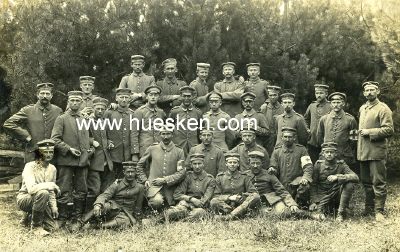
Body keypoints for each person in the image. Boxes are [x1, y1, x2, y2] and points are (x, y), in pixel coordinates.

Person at [51, 91, 94, 229]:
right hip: (66, 160)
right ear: (68, 102)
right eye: (72, 100)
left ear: (81, 103)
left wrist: (90, 151)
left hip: (82, 161)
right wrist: (69, 149)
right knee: (64, 189)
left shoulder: (86, 119)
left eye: (77, 101)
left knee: (82, 189)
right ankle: (62, 218)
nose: (75, 103)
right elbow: (55, 139)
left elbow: (92, 139)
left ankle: (77, 218)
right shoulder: (61, 119)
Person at [357, 81, 394, 221]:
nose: (369, 92)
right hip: (363, 151)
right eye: (367, 90)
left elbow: (389, 130)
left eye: (372, 90)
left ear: (378, 91)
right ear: (364, 93)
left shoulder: (383, 108)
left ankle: (379, 211)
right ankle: (368, 208)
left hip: (376, 151)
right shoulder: (362, 108)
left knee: (378, 182)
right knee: (366, 182)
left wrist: (369, 132)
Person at [3, 82, 62, 162]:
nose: (44, 96)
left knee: (50, 173)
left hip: (51, 154)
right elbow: (9, 123)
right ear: (37, 95)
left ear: (51, 96)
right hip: (33, 152)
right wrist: (26, 136)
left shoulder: (57, 111)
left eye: (47, 94)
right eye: (42, 93)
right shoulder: (28, 110)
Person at [76, 161, 145, 229]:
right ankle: (80, 222)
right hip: (113, 209)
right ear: (124, 172)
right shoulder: (117, 184)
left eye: (132, 172)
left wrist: (138, 221)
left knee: (125, 221)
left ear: (135, 172)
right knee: (104, 206)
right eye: (128, 172)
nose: (130, 174)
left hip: (126, 213)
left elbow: (138, 207)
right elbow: (105, 195)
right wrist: (98, 205)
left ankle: (97, 226)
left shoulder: (140, 187)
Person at [245, 151, 313, 219]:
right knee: (265, 215)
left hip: (272, 200)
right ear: (249, 163)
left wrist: (292, 204)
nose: (255, 166)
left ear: (262, 163)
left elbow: (281, 190)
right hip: (256, 203)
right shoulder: (245, 175)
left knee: (283, 212)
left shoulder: (269, 174)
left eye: (258, 163)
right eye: (253, 163)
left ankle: (310, 215)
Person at [136, 125, 186, 210]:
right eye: (163, 134)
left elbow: (181, 173)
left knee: (174, 204)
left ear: (172, 135)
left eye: (168, 134)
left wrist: (165, 180)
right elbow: (139, 166)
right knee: (156, 202)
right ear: (160, 134)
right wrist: (145, 179)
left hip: (171, 187)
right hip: (154, 186)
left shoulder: (179, 151)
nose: (165, 137)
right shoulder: (152, 148)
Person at [16, 139, 59, 236]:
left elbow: (51, 192)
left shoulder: (52, 169)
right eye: (45, 152)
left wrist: (54, 207)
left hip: (42, 200)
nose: (48, 154)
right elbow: (31, 189)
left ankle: (29, 217)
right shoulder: (30, 166)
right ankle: (36, 227)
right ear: (39, 153)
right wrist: (50, 185)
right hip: (25, 199)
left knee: (53, 228)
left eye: (51, 152)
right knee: (43, 192)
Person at [309, 142, 359, 221]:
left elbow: (355, 177)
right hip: (322, 196)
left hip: (336, 195)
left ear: (335, 154)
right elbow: (313, 184)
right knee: (319, 215)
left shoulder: (341, 165)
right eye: (327, 152)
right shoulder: (318, 165)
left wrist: (338, 177)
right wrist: (314, 201)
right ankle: (327, 209)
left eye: (331, 152)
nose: (329, 154)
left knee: (349, 184)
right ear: (323, 154)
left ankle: (340, 213)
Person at [163, 153, 216, 223]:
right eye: (194, 164)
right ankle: (164, 219)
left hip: (200, 208)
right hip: (185, 204)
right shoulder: (187, 176)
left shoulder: (210, 179)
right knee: (170, 213)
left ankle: (180, 221)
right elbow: (177, 195)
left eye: (199, 164)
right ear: (191, 165)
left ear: (203, 164)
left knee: (198, 213)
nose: (197, 166)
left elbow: (204, 201)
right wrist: (191, 199)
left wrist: (193, 205)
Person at [268, 127, 313, 207]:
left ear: (294, 138)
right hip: (282, 185)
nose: (287, 139)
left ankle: (300, 206)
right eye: (285, 137)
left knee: (304, 186)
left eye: (290, 137)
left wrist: (305, 178)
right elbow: (273, 166)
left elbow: (308, 166)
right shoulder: (277, 151)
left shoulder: (302, 150)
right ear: (281, 138)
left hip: (297, 184)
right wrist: (272, 169)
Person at [210, 152, 260, 221]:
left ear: (238, 164)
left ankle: (230, 216)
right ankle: (238, 214)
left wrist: (241, 196)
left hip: (241, 204)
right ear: (226, 164)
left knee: (256, 196)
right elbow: (216, 195)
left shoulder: (244, 177)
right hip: (226, 205)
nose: (232, 164)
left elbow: (253, 192)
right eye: (230, 162)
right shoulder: (220, 177)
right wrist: (229, 197)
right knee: (214, 201)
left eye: (235, 162)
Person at [86, 97, 114, 211]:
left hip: (106, 160)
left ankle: (102, 212)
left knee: (105, 189)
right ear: (93, 109)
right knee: (94, 189)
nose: (100, 111)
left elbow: (107, 137)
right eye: (98, 108)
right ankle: (88, 214)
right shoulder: (87, 121)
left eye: (103, 109)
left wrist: (110, 143)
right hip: (94, 160)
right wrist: (92, 141)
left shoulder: (105, 122)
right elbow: (82, 137)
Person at [317, 92, 357, 167]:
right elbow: (320, 137)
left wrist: (345, 150)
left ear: (343, 104)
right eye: (334, 102)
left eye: (338, 102)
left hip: (344, 155)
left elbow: (354, 139)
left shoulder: (350, 119)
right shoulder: (324, 119)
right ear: (330, 104)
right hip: (326, 155)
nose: (336, 105)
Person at [104, 88, 135, 178]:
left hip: (127, 151)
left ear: (130, 99)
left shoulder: (132, 114)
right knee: (110, 176)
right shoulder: (109, 113)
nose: (124, 99)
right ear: (116, 98)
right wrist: (107, 141)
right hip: (113, 151)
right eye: (121, 97)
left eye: (126, 97)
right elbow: (102, 131)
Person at [131, 85, 166, 158]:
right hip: (144, 149)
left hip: (158, 149)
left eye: (156, 95)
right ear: (146, 97)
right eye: (151, 95)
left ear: (158, 97)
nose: (153, 97)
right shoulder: (139, 112)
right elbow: (134, 133)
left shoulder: (161, 112)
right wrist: (135, 153)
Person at [169, 86, 202, 156]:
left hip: (193, 146)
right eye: (184, 96)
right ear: (181, 96)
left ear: (193, 97)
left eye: (189, 96)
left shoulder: (198, 112)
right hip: (178, 145)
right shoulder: (174, 111)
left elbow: (200, 130)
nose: (186, 98)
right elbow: (169, 129)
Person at [304, 84, 332, 163]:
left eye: (321, 93)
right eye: (317, 93)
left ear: (326, 94)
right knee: (312, 162)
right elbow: (306, 118)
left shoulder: (330, 106)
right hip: (313, 141)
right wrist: (307, 129)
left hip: (326, 141)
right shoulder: (312, 106)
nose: (318, 95)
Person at [260, 85, 284, 155]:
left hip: (279, 138)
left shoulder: (282, 108)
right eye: (270, 95)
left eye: (275, 95)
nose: (272, 97)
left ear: (278, 95)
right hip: (266, 138)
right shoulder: (264, 108)